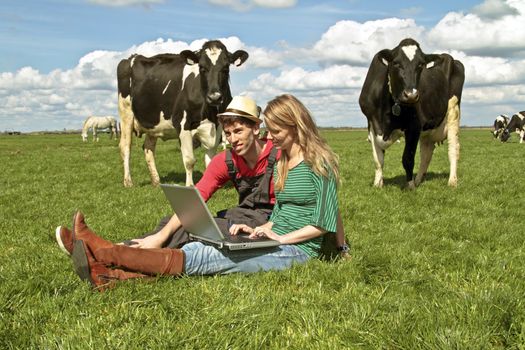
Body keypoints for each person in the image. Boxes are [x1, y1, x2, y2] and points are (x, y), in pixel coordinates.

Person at [56, 94, 343, 290]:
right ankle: (108, 271)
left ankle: (106, 252)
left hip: (294, 246)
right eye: (227, 133)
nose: (271, 135)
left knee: (202, 251)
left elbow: (325, 218)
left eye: (275, 130)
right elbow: (283, 211)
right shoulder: (284, 161)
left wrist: (337, 247)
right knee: (188, 233)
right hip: (267, 232)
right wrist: (265, 230)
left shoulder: (309, 161)